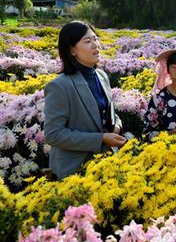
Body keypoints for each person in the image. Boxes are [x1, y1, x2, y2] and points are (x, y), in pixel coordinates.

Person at [44, 21, 125, 180]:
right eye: (88, 41)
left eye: (95, 39)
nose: (96, 45)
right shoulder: (59, 86)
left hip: (105, 163)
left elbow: (110, 114)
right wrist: (100, 138)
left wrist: (116, 125)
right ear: (72, 50)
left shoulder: (102, 76)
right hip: (74, 171)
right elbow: (53, 134)